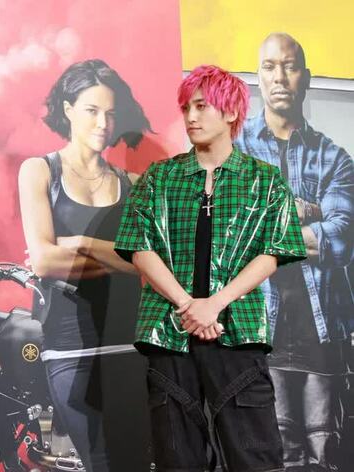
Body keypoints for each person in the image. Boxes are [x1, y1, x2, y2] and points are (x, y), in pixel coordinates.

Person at [115, 64, 307, 472]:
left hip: (238, 332)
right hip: (169, 332)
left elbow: (273, 252)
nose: (191, 116)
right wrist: (189, 305)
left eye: (202, 106)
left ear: (231, 112)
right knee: (176, 457)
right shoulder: (159, 178)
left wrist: (215, 304)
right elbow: (139, 247)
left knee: (254, 455)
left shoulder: (264, 180)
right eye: (186, 107)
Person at [18, 59, 151, 471]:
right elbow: (44, 260)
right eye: (92, 110)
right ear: (68, 109)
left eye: (110, 113)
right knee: (102, 463)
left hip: (128, 348)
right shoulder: (39, 171)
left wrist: (80, 244)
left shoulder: (133, 184)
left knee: (134, 464)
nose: (103, 123)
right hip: (68, 350)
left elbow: (149, 267)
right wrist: (119, 258)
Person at [235, 32, 354, 471]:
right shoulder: (232, 152)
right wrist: (306, 211)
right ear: (258, 77)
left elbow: (339, 240)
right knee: (271, 455)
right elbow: (231, 237)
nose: (279, 77)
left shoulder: (335, 158)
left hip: (322, 335)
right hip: (256, 336)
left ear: (306, 76)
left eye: (289, 66)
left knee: (326, 455)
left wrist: (266, 221)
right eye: (269, 66)